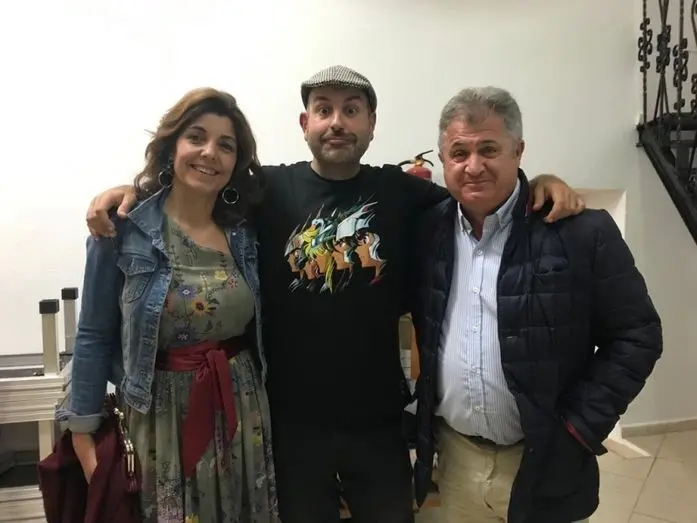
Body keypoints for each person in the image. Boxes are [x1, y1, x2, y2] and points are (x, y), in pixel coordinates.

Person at [83, 66, 585, 523]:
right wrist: (129, 193)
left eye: (351, 110)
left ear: (372, 124)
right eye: (323, 110)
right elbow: (196, 186)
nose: (337, 122)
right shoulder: (267, 190)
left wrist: (541, 181)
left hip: (379, 422)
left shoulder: (402, 193)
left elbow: (476, 195)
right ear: (305, 123)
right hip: (289, 424)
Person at [410, 86, 663, 523]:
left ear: (518, 151)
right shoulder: (426, 230)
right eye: (459, 153)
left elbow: (638, 335)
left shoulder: (579, 232)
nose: (474, 166)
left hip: (546, 462)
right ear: (443, 159)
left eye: (489, 149)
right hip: (457, 463)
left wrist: (579, 429)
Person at [56, 88, 280, 523]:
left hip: (242, 408)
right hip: (158, 419)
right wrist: (83, 436)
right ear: (171, 146)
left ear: (236, 162)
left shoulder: (246, 230)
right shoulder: (122, 230)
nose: (209, 152)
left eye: (226, 145)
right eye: (196, 137)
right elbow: (94, 333)